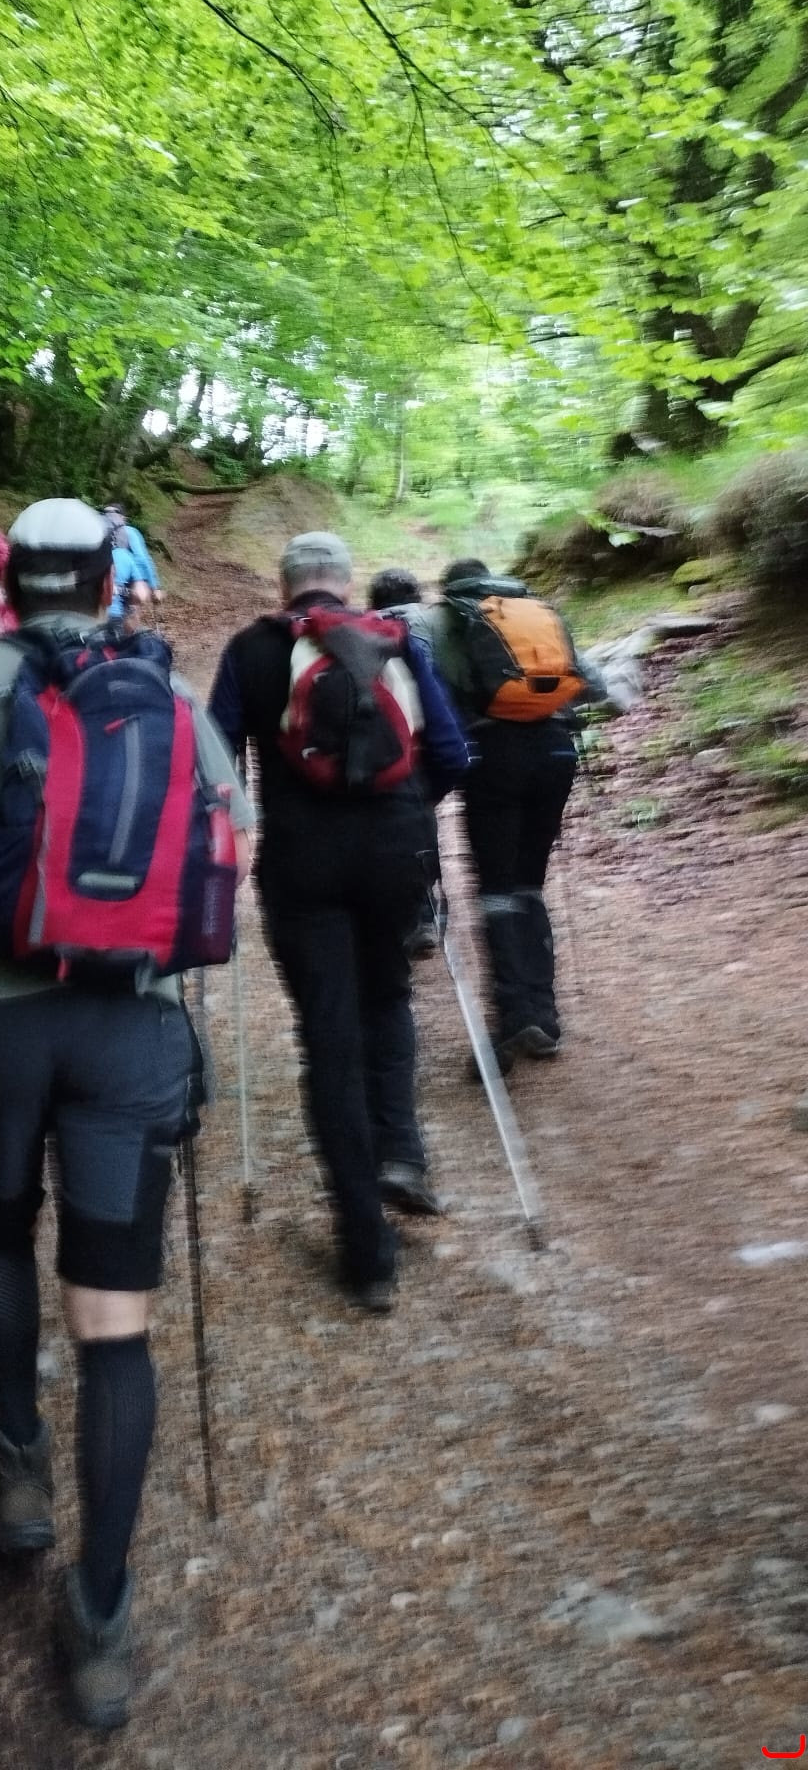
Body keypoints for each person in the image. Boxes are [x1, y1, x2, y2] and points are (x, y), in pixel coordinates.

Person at [0, 498, 252, 1730]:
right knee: (116, 1328)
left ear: (12, 586)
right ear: (109, 586)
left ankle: (20, 1472)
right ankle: (103, 1617)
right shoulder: (165, 694)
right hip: (128, 1034)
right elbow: (229, 845)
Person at [209, 531, 469, 1311]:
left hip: (302, 867)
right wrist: (402, 810)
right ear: (347, 585)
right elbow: (452, 754)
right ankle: (402, 1152)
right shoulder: (394, 638)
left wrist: (239, 834)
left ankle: (367, 1253)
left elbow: (215, 766)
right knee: (387, 997)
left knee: (328, 1037)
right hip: (395, 857)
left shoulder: (253, 649)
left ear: (282, 585)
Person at [429, 557, 606, 1071]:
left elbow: (437, 696)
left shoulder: (449, 620)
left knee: (497, 890)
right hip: (556, 753)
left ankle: (515, 1016)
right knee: (530, 883)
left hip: (495, 759)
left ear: (451, 588)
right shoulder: (536, 612)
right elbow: (592, 685)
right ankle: (546, 1019)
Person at [368, 569, 440, 957]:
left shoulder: (368, 630)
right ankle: (425, 913)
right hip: (429, 741)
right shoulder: (433, 624)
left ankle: (405, 916)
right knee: (423, 824)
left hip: (386, 742)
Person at [102, 502, 163, 629]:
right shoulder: (130, 532)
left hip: (96, 589)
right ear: (123, 518)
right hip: (125, 583)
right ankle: (128, 635)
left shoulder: (96, 531)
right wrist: (154, 587)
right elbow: (142, 559)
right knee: (131, 612)